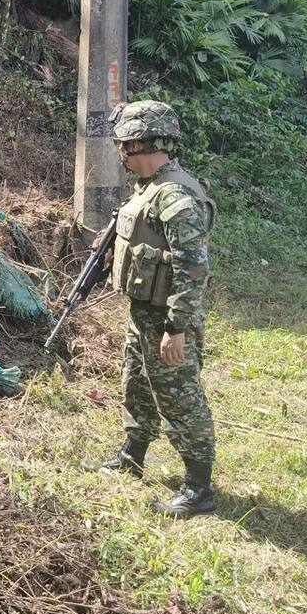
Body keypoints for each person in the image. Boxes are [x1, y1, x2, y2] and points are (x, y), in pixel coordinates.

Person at [85, 100, 218, 519]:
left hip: (167, 319)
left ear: (142, 142)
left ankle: (199, 489)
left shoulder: (175, 195)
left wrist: (176, 328)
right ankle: (132, 454)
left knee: (180, 399)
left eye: (125, 141)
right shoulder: (148, 188)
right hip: (143, 312)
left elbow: (193, 269)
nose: (120, 149)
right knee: (136, 385)